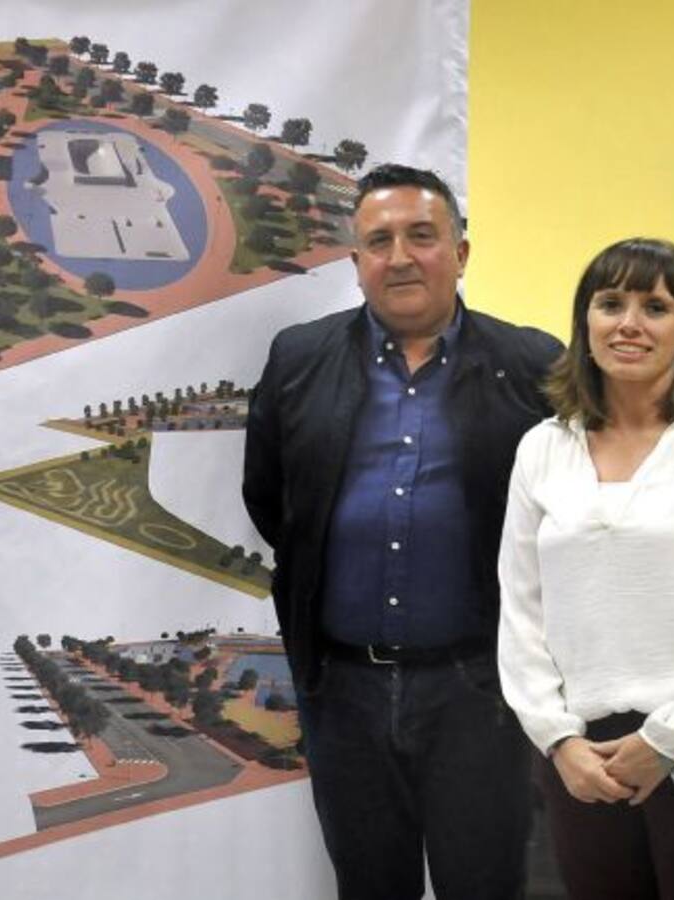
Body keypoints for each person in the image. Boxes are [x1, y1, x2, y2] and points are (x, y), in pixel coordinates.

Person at [243, 163, 562, 900]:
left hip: (480, 693)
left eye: (422, 236)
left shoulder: (533, 365)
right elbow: (271, 501)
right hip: (342, 694)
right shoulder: (298, 358)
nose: (401, 257)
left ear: (461, 252)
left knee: (484, 886)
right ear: (356, 262)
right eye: (379, 241)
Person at [497, 238, 674, 899]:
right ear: (585, 322)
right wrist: (557, 739)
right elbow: (521, 612)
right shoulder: (542, 449)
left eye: (655, 307)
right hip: (584, 760)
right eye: (610, 304)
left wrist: (669, 741)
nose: (629, 323)